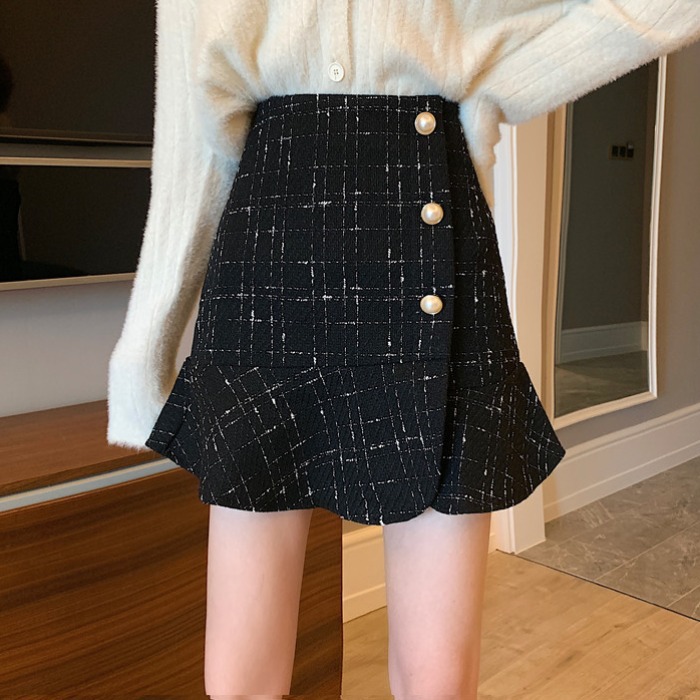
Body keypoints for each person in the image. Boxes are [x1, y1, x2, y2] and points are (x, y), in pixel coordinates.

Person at [106, 2, 700, 697]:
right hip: (268, 262)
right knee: (240, 680)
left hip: (431, 230)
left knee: (437, 681)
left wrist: (506, 79)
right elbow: (193, 147)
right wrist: (143, 353)